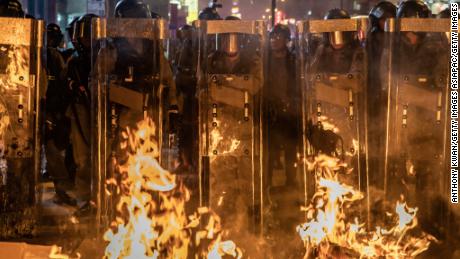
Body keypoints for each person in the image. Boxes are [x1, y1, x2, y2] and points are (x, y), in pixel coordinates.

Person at [67, 13, 98, 216]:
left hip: (102, 111)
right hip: (80, 112)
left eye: (86, 34)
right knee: (83, 159)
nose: (82, 39)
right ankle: (85, 201)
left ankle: (102, 199)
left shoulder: (105, 55)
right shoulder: (75, 61)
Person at [45, 23, 76, 206]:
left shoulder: (55, 56)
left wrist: (57, 112)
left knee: (54, 150)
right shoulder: (48, 54)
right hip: (43, 108)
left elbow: (61, 86)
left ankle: (61, 190)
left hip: (51, 109)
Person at [266, 24, 298, 187]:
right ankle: (267, 184)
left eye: (278, 37)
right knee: (270, 151)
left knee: (291, 149)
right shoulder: (265, 61)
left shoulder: (293, 60)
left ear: (286, 40)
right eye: (272, 37)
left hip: (290, 111)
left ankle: (291, 182)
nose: (274, 40)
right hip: (271, 112)